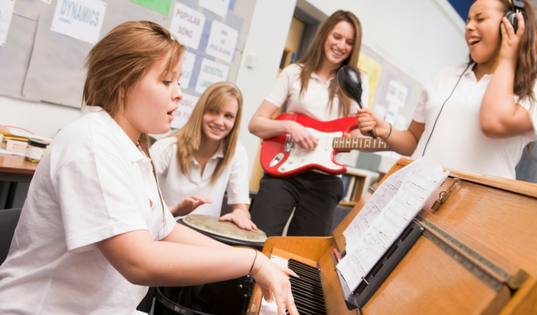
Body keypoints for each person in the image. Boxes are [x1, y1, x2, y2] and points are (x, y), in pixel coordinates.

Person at [0, 21, 298, 315]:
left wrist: (255, 259)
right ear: (123, 84)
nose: (179, 93)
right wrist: (250, 263)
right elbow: (138, 261)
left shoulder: (134, 147)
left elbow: (165, 231)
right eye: (167, 81)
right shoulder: (91, 143)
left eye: (179, 82)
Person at [357, 0, 537, 180]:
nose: (469, 26)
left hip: (475, 210)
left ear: (512, 23)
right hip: (416, 198)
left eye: (480, 19)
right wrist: (387, 131)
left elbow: (493, 123)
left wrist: (507, 59)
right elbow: (414, 141)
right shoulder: (445, 75)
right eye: (468, 21)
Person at [248, 10, 368, 237]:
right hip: (283, 172)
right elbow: (256, 124)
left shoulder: (358, 81)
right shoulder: (294, 73)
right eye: (337, 36)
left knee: (300, 256)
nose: (341, 45)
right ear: (324, 35)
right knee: (258, 239)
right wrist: (289, 126)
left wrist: (373, 132)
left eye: (349, 42)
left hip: (326, 180)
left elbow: (358, 137)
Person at [150, 82, 257, 231]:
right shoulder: (166, 147)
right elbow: (139, 205)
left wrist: (240, 213)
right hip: (163, 230)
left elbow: (241, 208)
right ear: (201, 111)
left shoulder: (237, 152)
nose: (220, 122)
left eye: (228, 116)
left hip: (205, 237)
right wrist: (176, 209)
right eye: (213, 111)